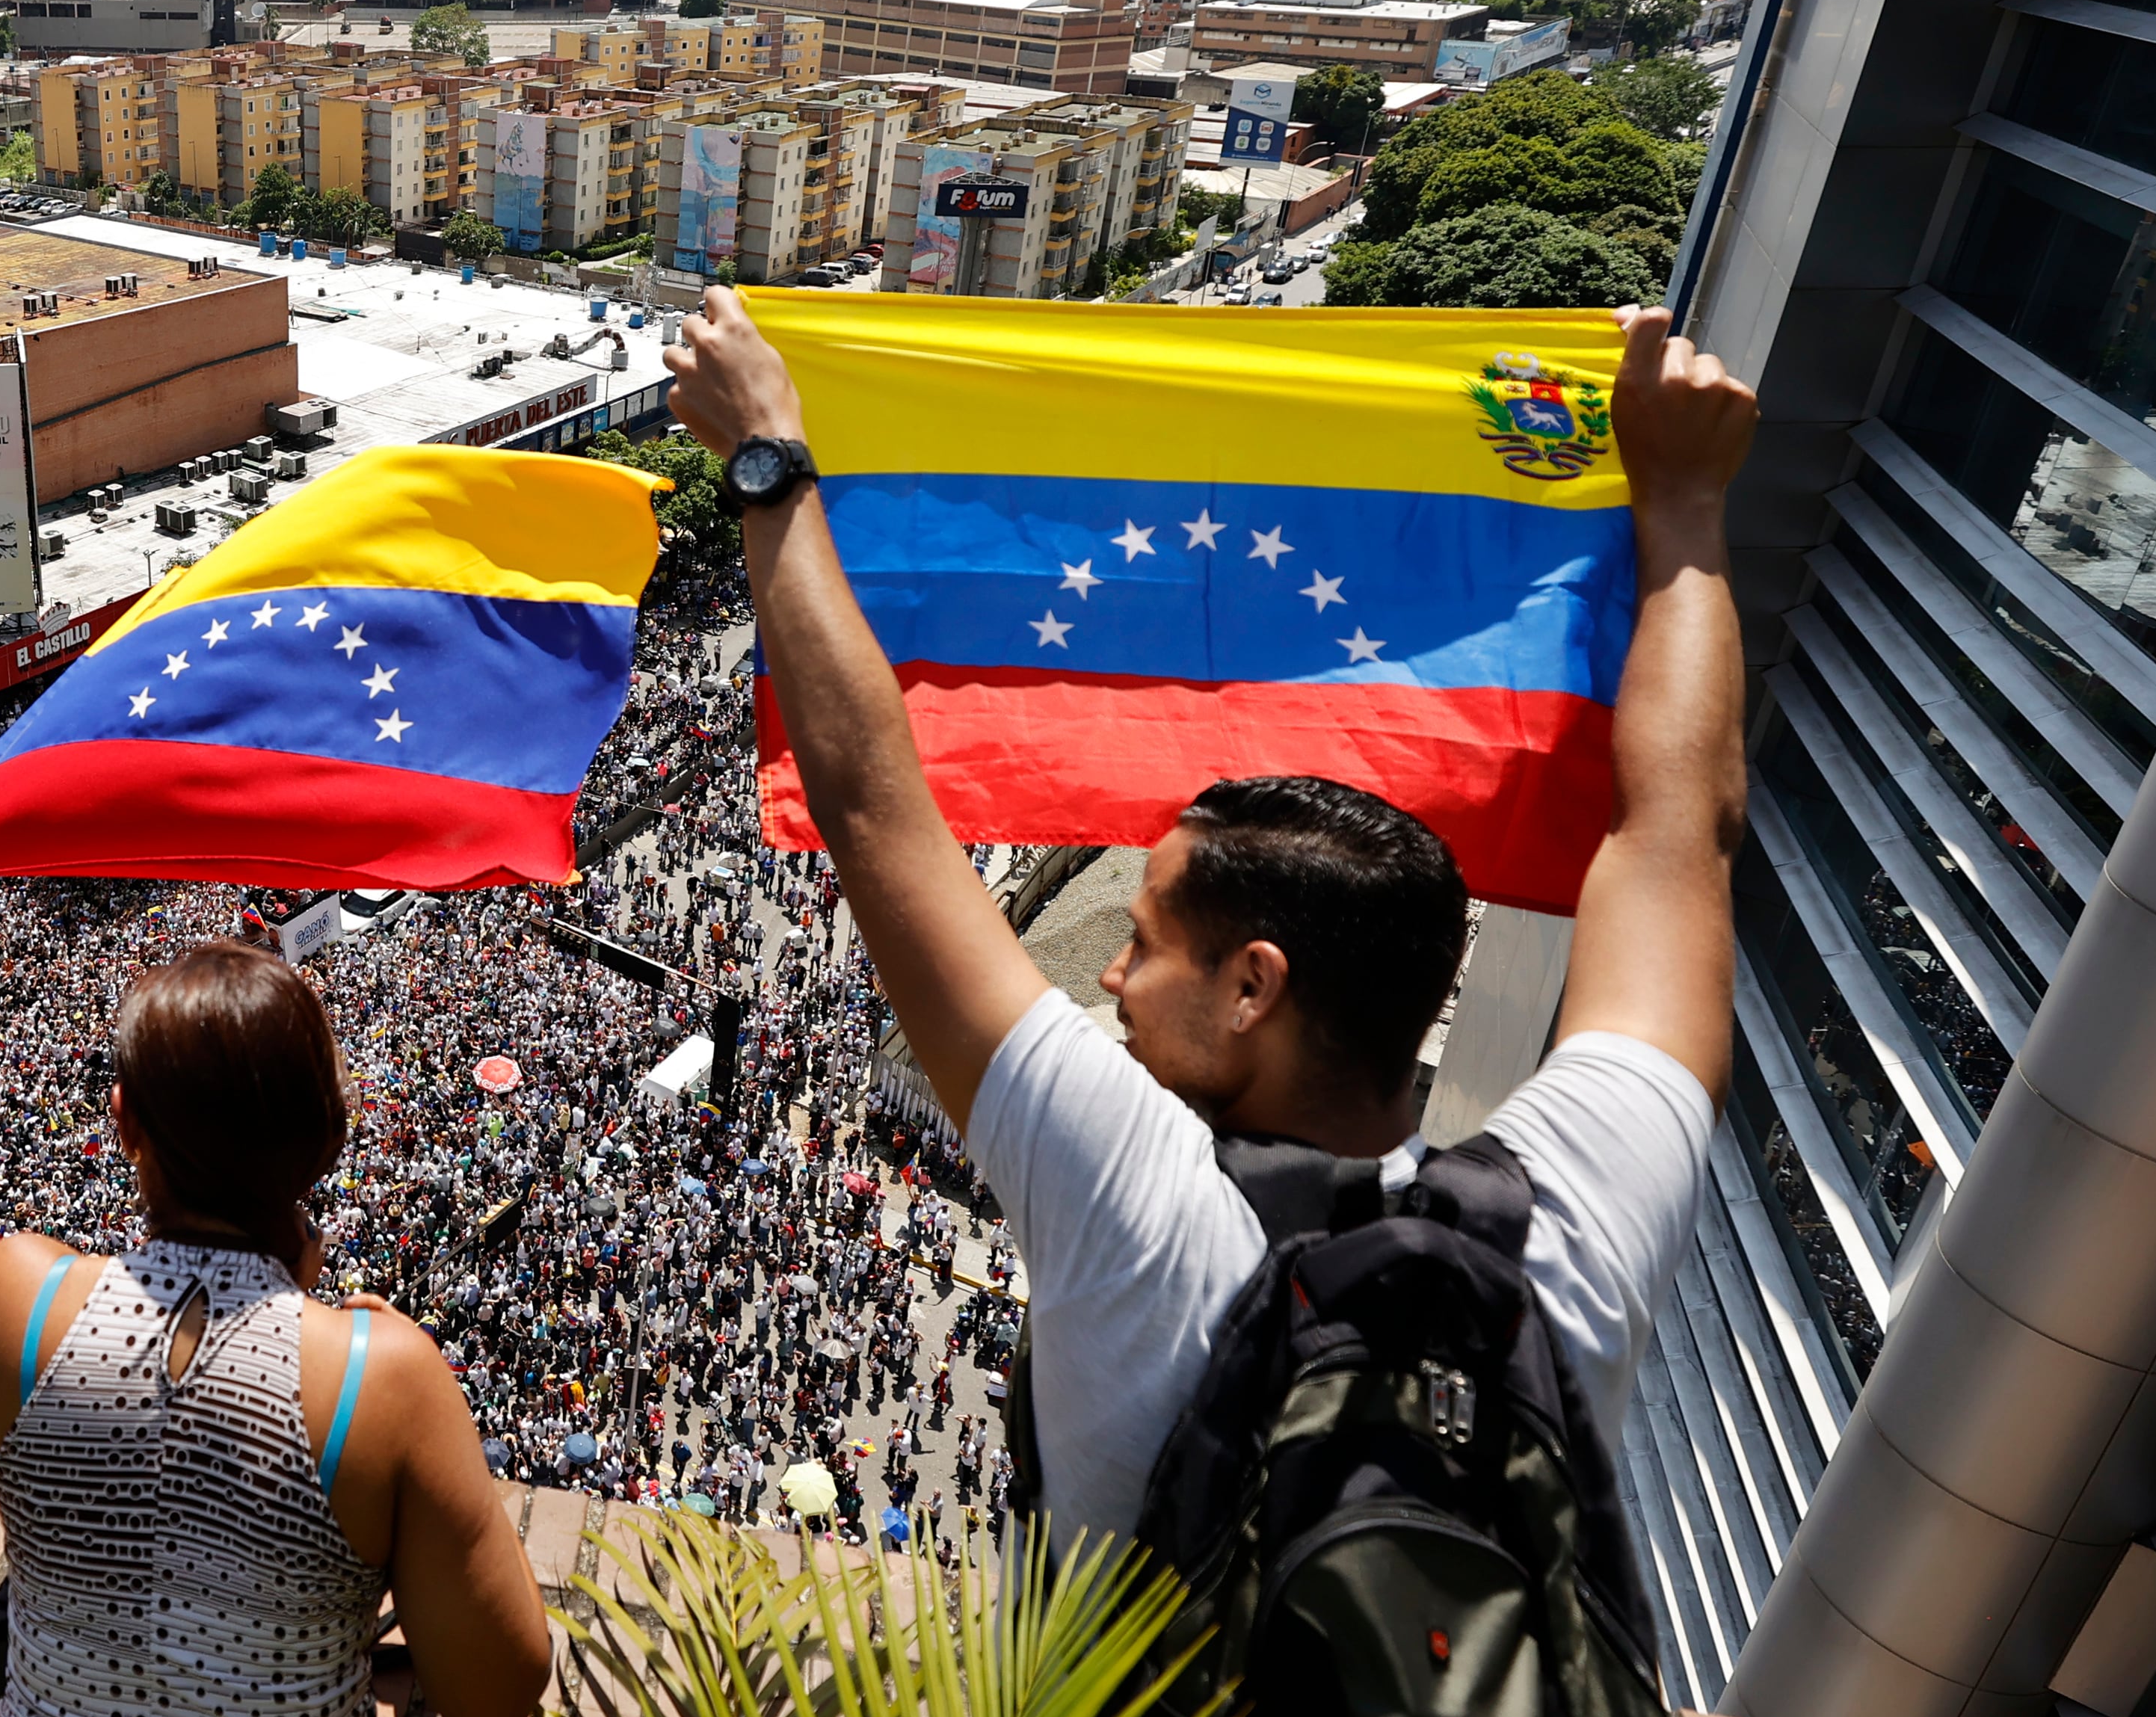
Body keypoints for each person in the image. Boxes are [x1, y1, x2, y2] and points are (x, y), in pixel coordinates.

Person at [662, 289, 1756, 1540]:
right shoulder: (1571, 1221)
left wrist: (769, 465)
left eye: (1141, 939)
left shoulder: (1137, 1201)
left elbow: (870, 802)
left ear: (1254, 986)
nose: (1112, 977)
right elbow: (1681, 835)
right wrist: (1687, 509)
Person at [0, 941, 549, 1717]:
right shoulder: (378, 1376)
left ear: (124, 1118)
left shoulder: (15, 1296)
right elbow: (500, 1693)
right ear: (327, 1138)